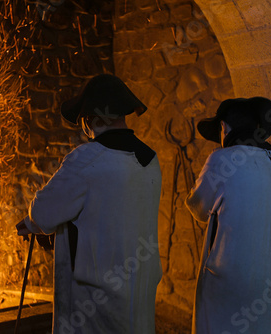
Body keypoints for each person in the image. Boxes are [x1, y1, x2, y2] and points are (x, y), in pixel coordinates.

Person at [16, 74, 163, 333]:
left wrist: (30, 224)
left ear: (91, 119)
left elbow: (43, 213)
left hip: (96, 293)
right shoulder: (150, 160)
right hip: (138, 285)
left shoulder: (87, 159)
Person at [185, 97, 271, 334]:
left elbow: (198, 207)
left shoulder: (222, 159)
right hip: (270, 282)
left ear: (223, 127)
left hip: (231, 283)